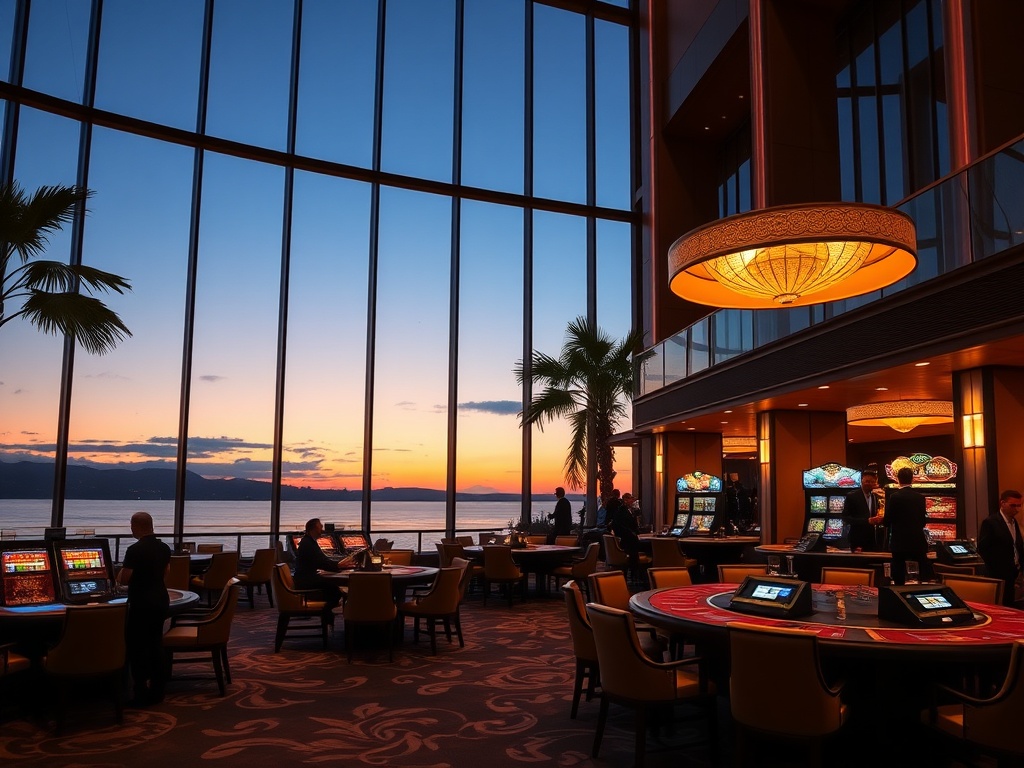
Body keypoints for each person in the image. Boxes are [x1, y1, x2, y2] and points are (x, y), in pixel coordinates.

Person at [116, 511, 171, 706]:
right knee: (156, 643)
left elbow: (125, 579)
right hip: (161, 599)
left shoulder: (134, 550)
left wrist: (117, 575)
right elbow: (166, 573)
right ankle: (158, 690)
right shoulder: (164, 548)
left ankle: (139, 692)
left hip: (141, 602)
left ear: (136, 526)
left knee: (137, 646)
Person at [977, 490, 1024, 607]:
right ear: (1002, 503)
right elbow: (983, 549)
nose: (1017, 509)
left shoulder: (1014, 522)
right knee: (1001, 607)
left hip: (1014, 573)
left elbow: (1017, 546)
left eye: (1019, 505)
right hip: (998, 574)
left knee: (1011, 606)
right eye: (1013, 505)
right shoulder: (990, 522)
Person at [883, 466, 929, 585]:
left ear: (898, 479)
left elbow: (888, 520)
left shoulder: (894, 497)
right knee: (922, 574)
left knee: (898, 573)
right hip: (917, 539)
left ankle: (899, 596)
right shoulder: (920, 497)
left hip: (899, 541)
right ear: (912, 479)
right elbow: (923, 521)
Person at [292, 517, 344, 612]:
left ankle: (327, 616)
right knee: (335, 591)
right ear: (314, 529)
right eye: (320, 527)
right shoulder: (308, 544)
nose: (322, 529)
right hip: (306, 582)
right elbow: (321, 562)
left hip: (305, 578)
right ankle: (326, 614)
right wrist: (339, 566)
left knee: (334, 588)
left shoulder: (309, 541)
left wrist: (338, 565)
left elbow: (322, 560)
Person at [842, 468, 880, 553]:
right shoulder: (852, 496)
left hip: (871, 539)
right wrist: (866, 521)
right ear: (862, 481)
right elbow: (845, 518)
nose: (869, 484)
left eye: (871, 482)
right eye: (867, 481)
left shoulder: (874, 496)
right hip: (857, 539)